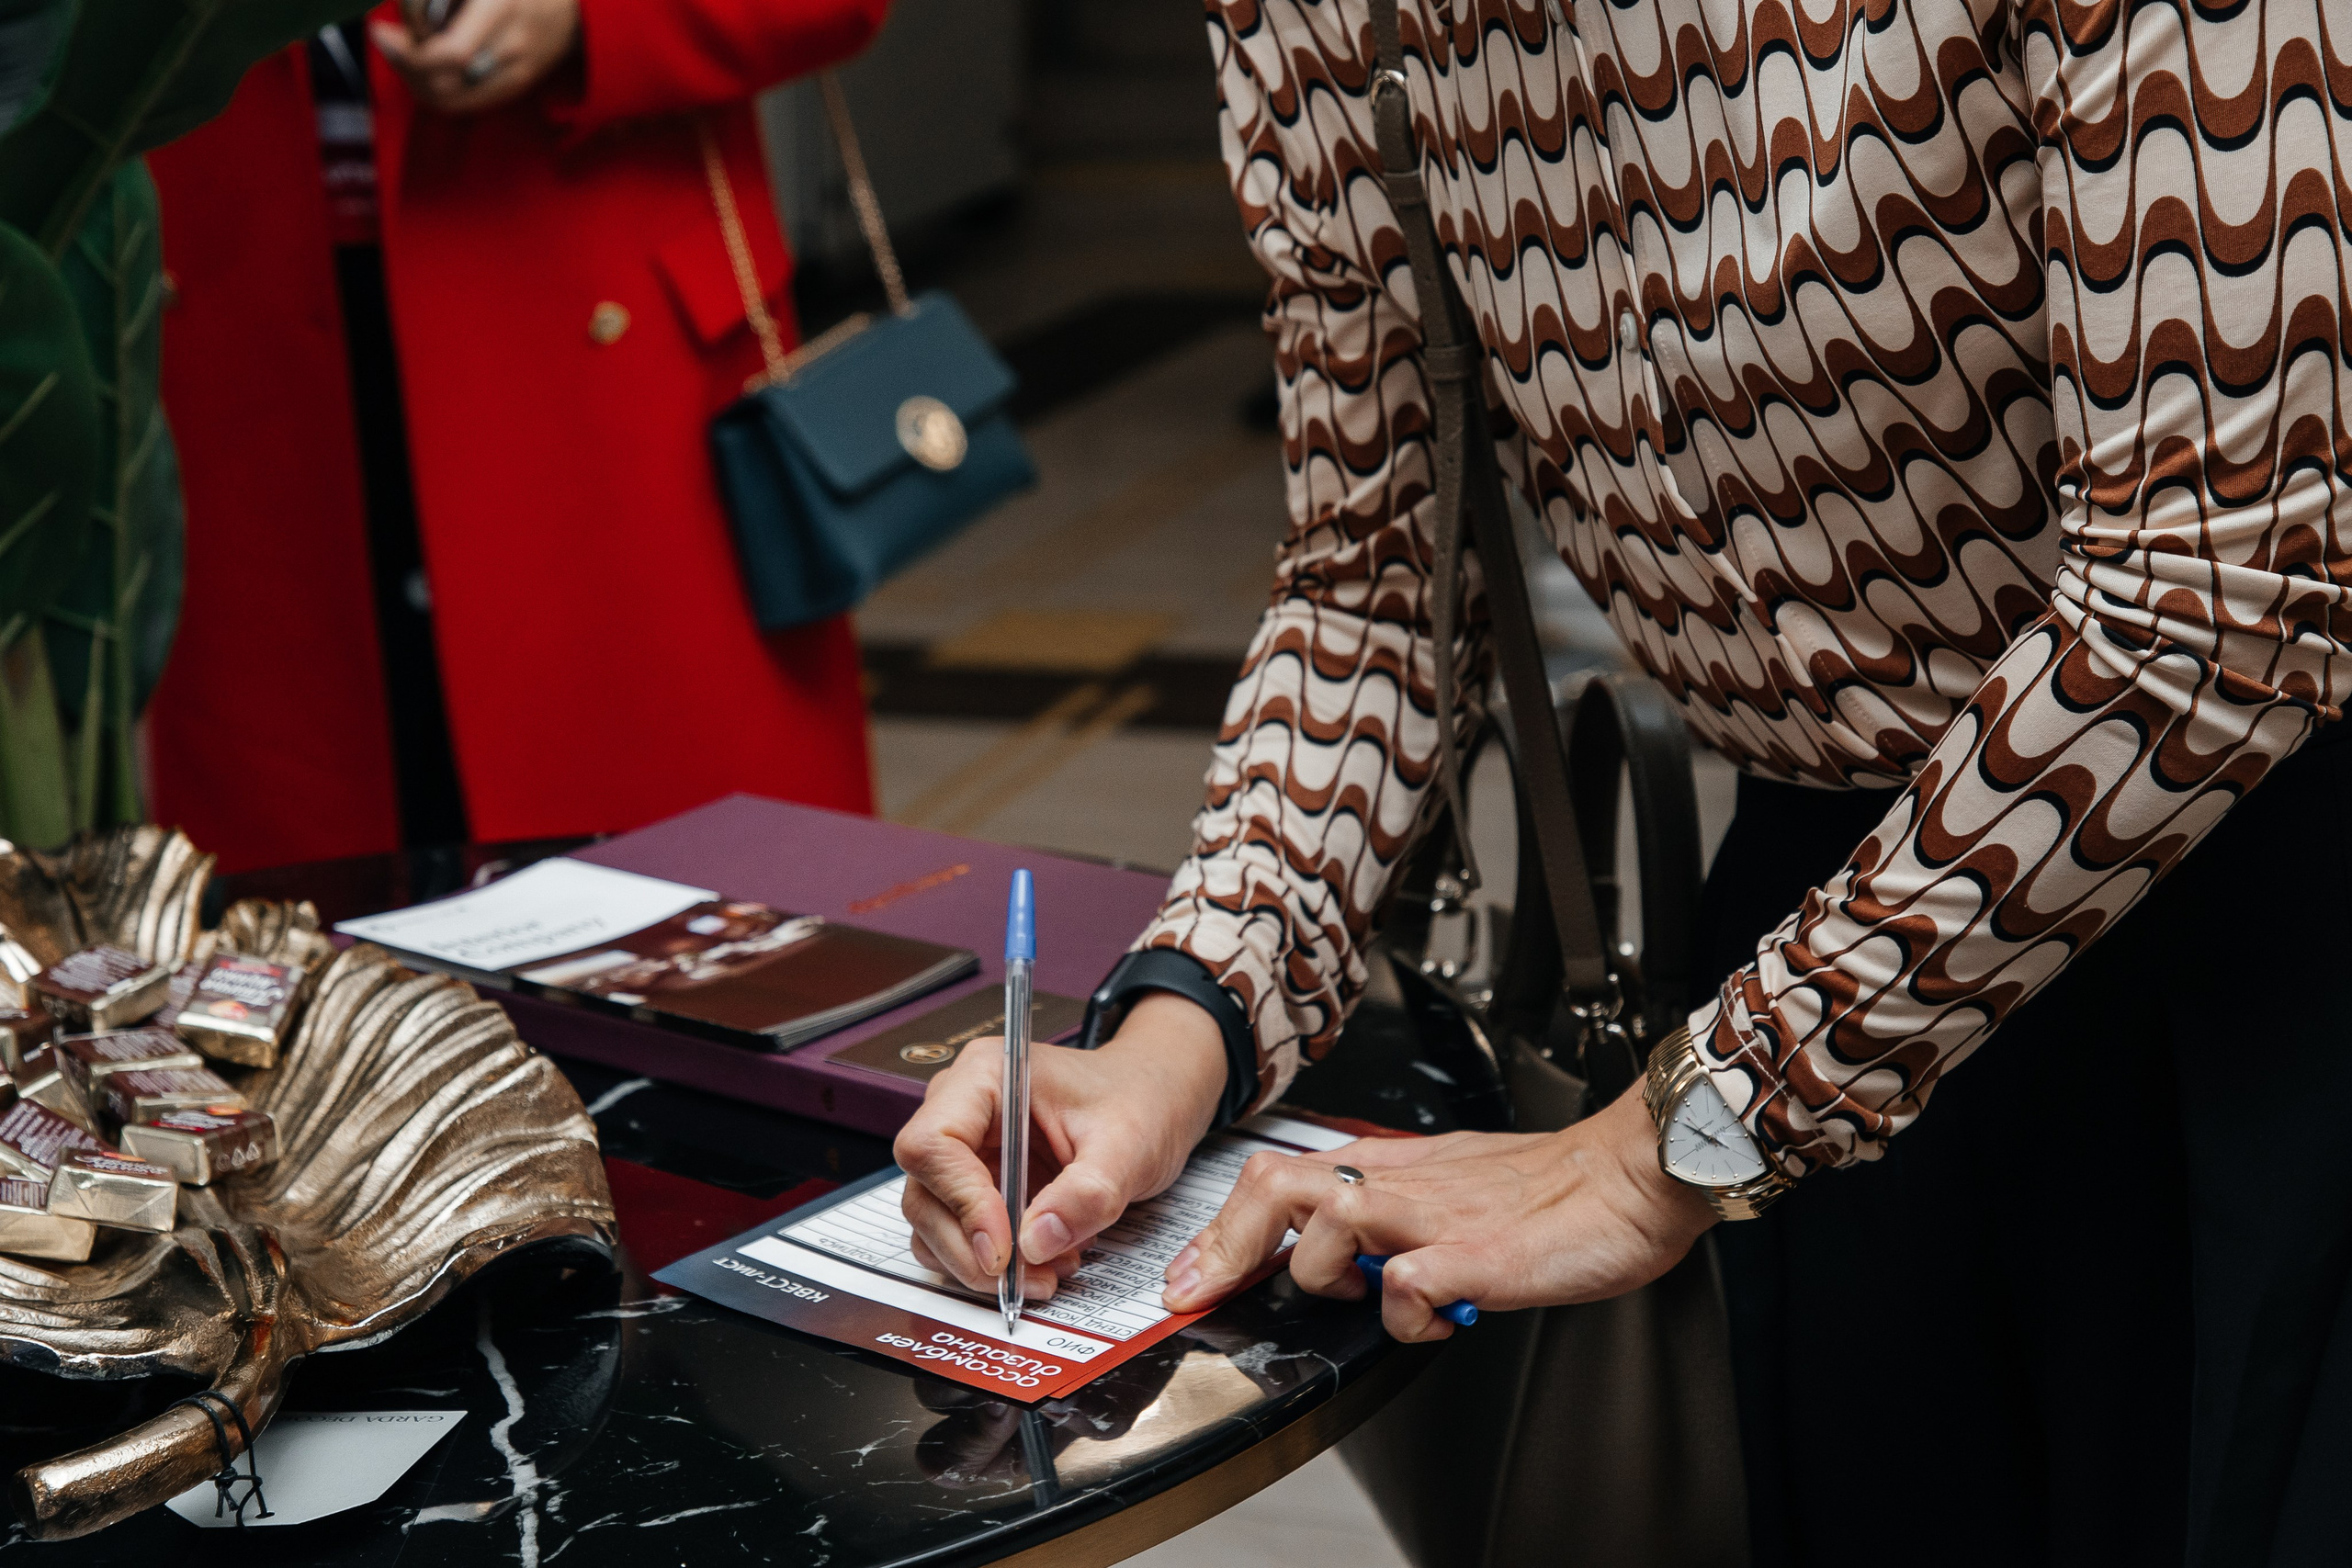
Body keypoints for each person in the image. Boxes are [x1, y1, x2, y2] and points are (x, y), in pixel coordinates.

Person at [894, 0, 2352, 1561]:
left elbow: (2223, 601)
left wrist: (1682, 1126)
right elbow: (1381, 578)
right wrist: (1184, 1025)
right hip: (1827, 938)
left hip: (2266, 920)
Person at [143, 0, 888, 871]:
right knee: (312, 939)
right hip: (238, 346)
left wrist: (585, 17)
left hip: (608, 349)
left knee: (700, 932)